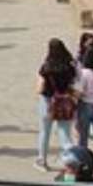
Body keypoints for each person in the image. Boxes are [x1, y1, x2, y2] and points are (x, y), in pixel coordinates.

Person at [36, 39, 77, 172]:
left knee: (44, 132)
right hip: (64, 101)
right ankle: (70, 162)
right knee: (65, 135)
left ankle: (42, 161)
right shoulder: (69, 67)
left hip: (47, 101)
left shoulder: (46, 67)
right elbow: (73, 83)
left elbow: (40, 87)